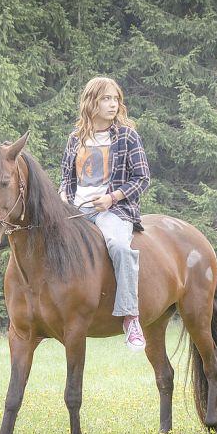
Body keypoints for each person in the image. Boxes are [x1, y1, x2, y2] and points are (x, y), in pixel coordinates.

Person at [59, 77, 151, 350]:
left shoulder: (126, 136)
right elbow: (65, 180)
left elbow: (142, 178)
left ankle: (130, 318)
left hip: (114, 210)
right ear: (92, 102)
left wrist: (112, 198)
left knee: (119, 247)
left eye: (116, 99)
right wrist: (64, 198)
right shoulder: (75, 139)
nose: (113, 105)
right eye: (106, 99)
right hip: (77, 212)